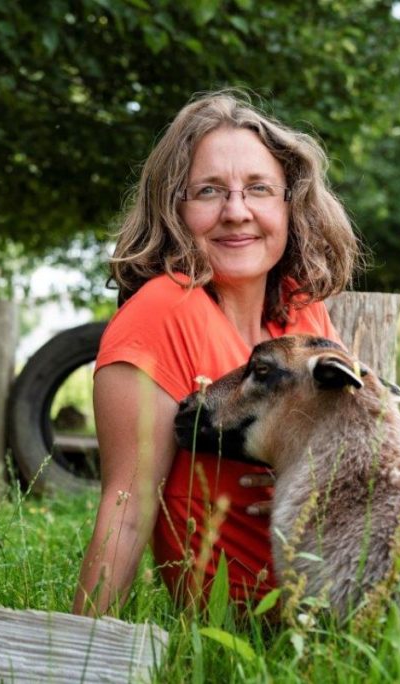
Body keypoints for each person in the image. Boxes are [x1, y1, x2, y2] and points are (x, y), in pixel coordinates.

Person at [72, 89, 363, 616]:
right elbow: (127, 511)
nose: (236, 212)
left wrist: (303, 486)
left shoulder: (302, 311)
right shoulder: (158, 315)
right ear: (175, 208)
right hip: (249, 632)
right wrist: (80, 660)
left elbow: (355, 459)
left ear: (288, 204)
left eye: (258, 189)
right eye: (209, 191)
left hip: (353, 597)